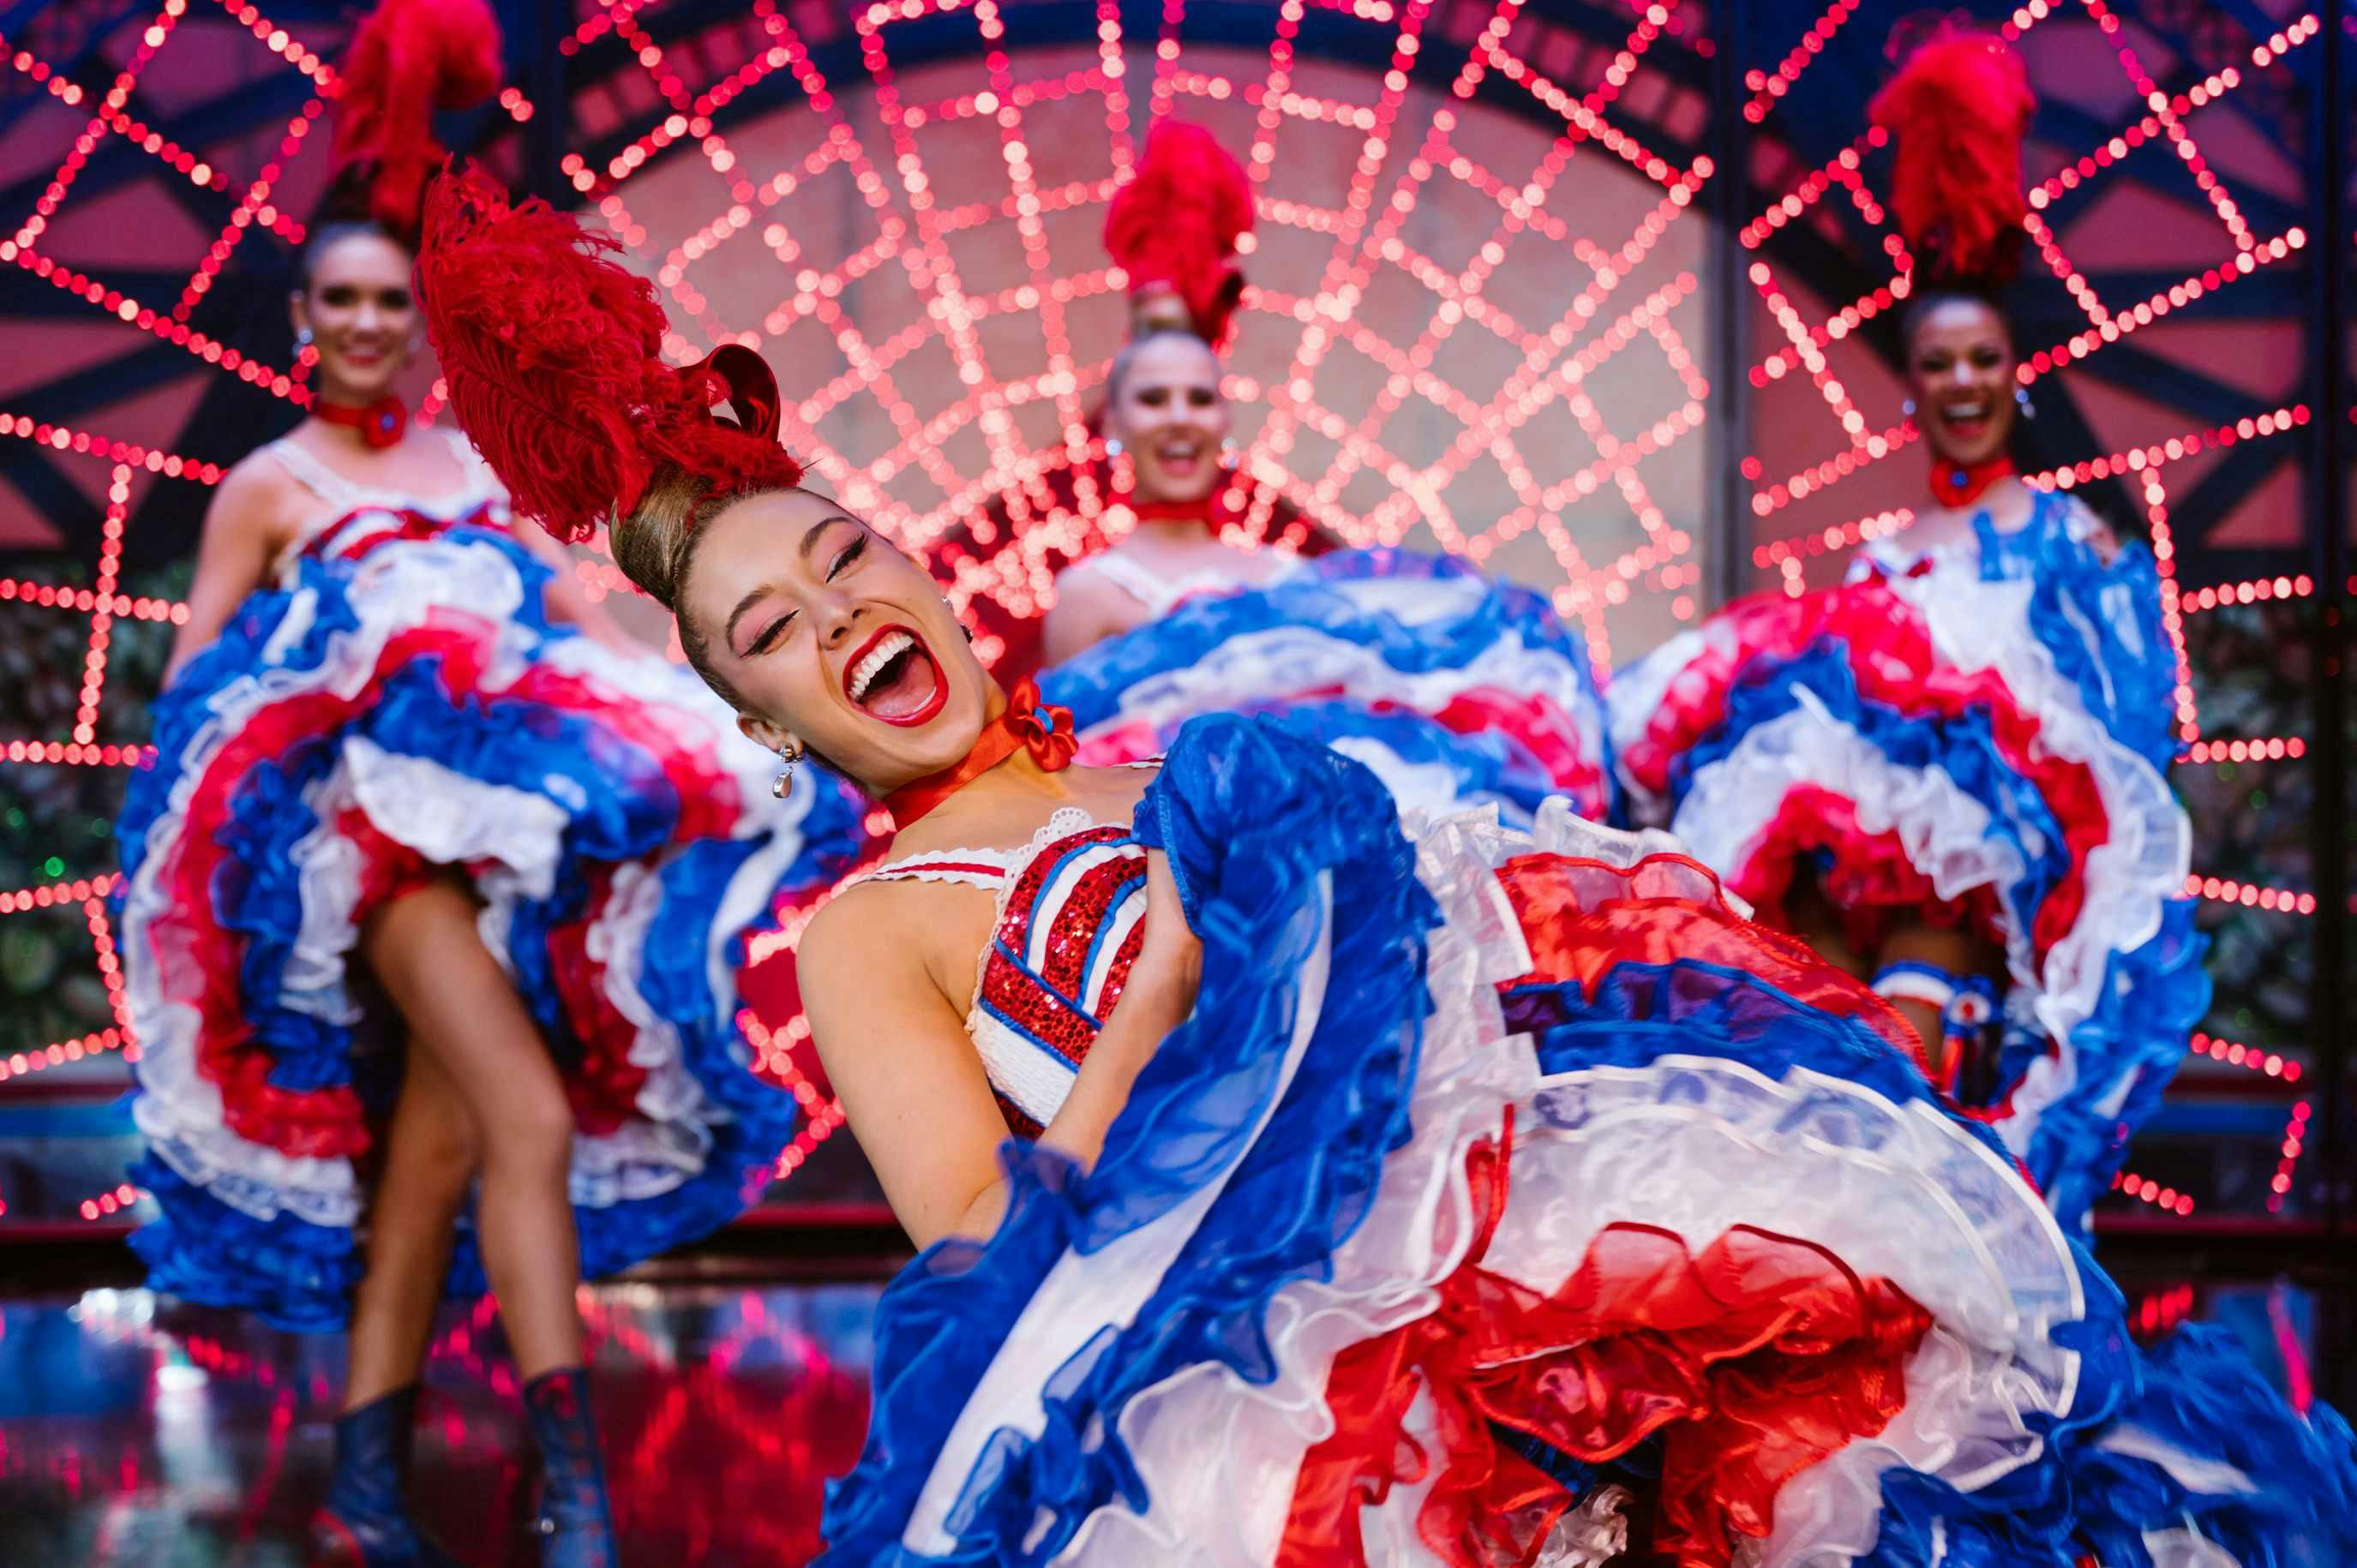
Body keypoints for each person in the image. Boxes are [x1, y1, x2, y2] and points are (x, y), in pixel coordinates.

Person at [423, 159, 2355, 1568]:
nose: (838, 614)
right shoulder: (875, 930)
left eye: (843, 557)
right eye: (770, 631)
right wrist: (1152, 1005)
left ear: (918, 567)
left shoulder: (1170, 760)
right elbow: (984, 1260)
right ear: (767, 718)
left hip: (1545, 1262)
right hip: (1278, 1390)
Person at [113, 6, 862, 1563]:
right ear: (302, 315)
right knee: (524, 1110)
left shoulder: (470, 477)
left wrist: (724, 704)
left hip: (503, 867)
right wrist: (307, 696)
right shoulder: (270, 485)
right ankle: (575, 1482)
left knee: (440, 1149)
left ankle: (367, 1486)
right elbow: (193, 697)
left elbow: (578, 645)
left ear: (418, 317)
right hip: (365, 875)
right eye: (340, 298)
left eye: (390, 299)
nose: (366, 322)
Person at [1610, 23, 2200, 1226]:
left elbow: (2130, 774)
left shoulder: (2076, 550)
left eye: (1982, 359)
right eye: (1937, 364)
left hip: (1984, 951)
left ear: (2014, 371)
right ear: (1913, 383)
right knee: (1803, 1143)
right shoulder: (1879, 566)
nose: (1962, 384)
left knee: (1917, 1153)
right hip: (1840, 929)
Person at [933, 120, 1334, 687]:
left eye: (1199, 397)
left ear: (1224, 416)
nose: (1179, 418)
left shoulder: (1287, 579)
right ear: (1114, 421)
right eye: (1153, 398)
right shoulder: (1088, 596)